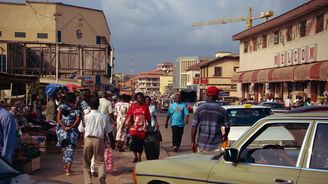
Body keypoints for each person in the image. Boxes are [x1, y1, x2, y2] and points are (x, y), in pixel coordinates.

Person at [79, 95, 111, 184]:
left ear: (89, 105)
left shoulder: (86, 116)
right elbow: (109, 131)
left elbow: (81, 129)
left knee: (86, 163)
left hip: (88, 139)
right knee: (100, 162)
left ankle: (88, 182)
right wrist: (112, 142)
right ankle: (101, 177)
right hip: (99, 140)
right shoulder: (104, 117)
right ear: (98, 105)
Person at [191, 86, 230, 152]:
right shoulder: (222, 110)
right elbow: (227, 126)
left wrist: (193, 142)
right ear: (217, 95)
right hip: (216, 145)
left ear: (206, 94)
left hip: (202, 144)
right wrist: (225, 136)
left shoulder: (199, 109)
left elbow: (194, 126)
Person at [56, 93, 81, 175]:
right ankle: (68, 167)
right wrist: (70, 127)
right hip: (72, 131)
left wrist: (63, 127)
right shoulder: (77, 108)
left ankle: (67, 166)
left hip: (62, 132)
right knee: (71, 149)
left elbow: (58, 118)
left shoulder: (62, 106)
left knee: (65, 149)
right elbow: (77, 120)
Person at [122, 92, 151, 162]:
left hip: (142, 128)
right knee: (134, 142)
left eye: (141, 98)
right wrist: (124, 125)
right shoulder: (133, 106)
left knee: (140, 143)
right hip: (134, 128)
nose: (140, 99)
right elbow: (128, 115)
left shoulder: (145, 107)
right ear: (136, 99)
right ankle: (135, 157)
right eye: (139, 98)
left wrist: (149, 126)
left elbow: (148, 117)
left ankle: (139, 157)